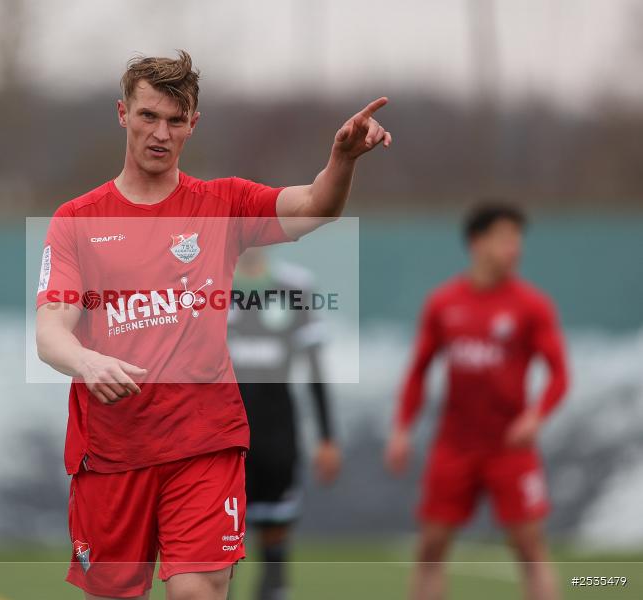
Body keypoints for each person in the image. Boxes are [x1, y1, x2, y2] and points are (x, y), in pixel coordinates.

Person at [35, 50, 390, 600]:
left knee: (197, 592)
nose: (161, 132)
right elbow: (51, 330)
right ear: (122, 113)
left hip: (204, 444)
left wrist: (342, 160)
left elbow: (316, 204)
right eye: (149, 116)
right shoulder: (76, 220)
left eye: (176, 120)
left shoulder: (223, 203)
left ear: (193, 124)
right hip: (111, 453)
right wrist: (87, 360)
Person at [384, 202, 569, 600]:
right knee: (431, 549)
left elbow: (559, 374)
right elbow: (419, 370)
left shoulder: (531, 306)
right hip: (454, 446)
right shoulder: (444, 303)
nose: (514, 249)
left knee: (530, 549)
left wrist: (537, 416)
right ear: (477, 242)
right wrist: (401, 429)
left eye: (517, 240)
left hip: (510, 449)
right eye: (505, 239)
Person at [228, 247, 342, 600]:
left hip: (277, 433)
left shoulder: (295, 285)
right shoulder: (204, 286)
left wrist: (326, 437)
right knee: (219, 552)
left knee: (274, 542)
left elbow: (315, 368)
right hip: (221, 439)